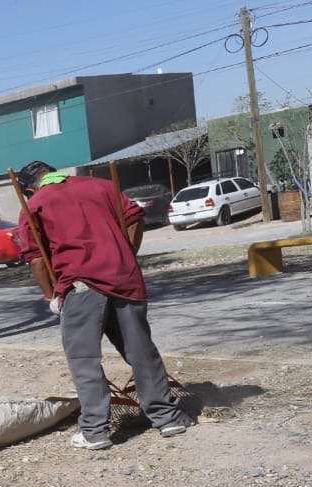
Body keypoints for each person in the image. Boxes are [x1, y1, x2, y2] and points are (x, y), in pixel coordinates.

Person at [15, 161, 193, 451]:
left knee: (84, 359)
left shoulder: (36, 204)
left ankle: (96, 432)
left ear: (27, 188)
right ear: (56, 171)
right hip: (123, 278)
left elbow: (36, 260)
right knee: (141, 351)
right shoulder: (102, 185)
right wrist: (126, 256)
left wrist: (52, 297)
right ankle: (168, 417)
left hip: (80, 285)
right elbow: (135, 218)